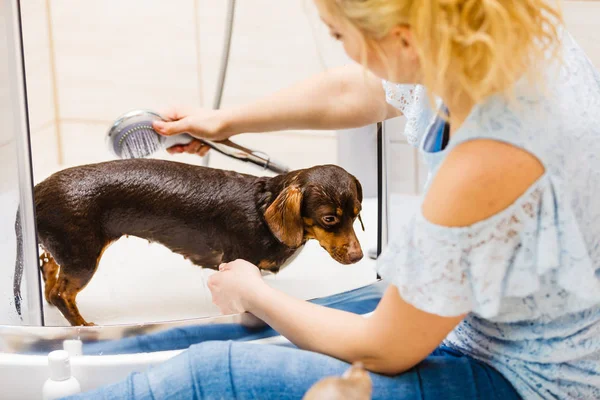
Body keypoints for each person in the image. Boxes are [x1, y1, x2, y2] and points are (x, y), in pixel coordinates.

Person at [68, 0, 600, 399]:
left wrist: (255, 291)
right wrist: (225, 120)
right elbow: (361, 90)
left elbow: (389, 347)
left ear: (404, 39)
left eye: (338, 33)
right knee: (237, 331)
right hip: (479, 322)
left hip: (525, 378)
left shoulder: (492, 153)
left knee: (208, 374)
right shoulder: (482, 40)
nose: (343, 46)